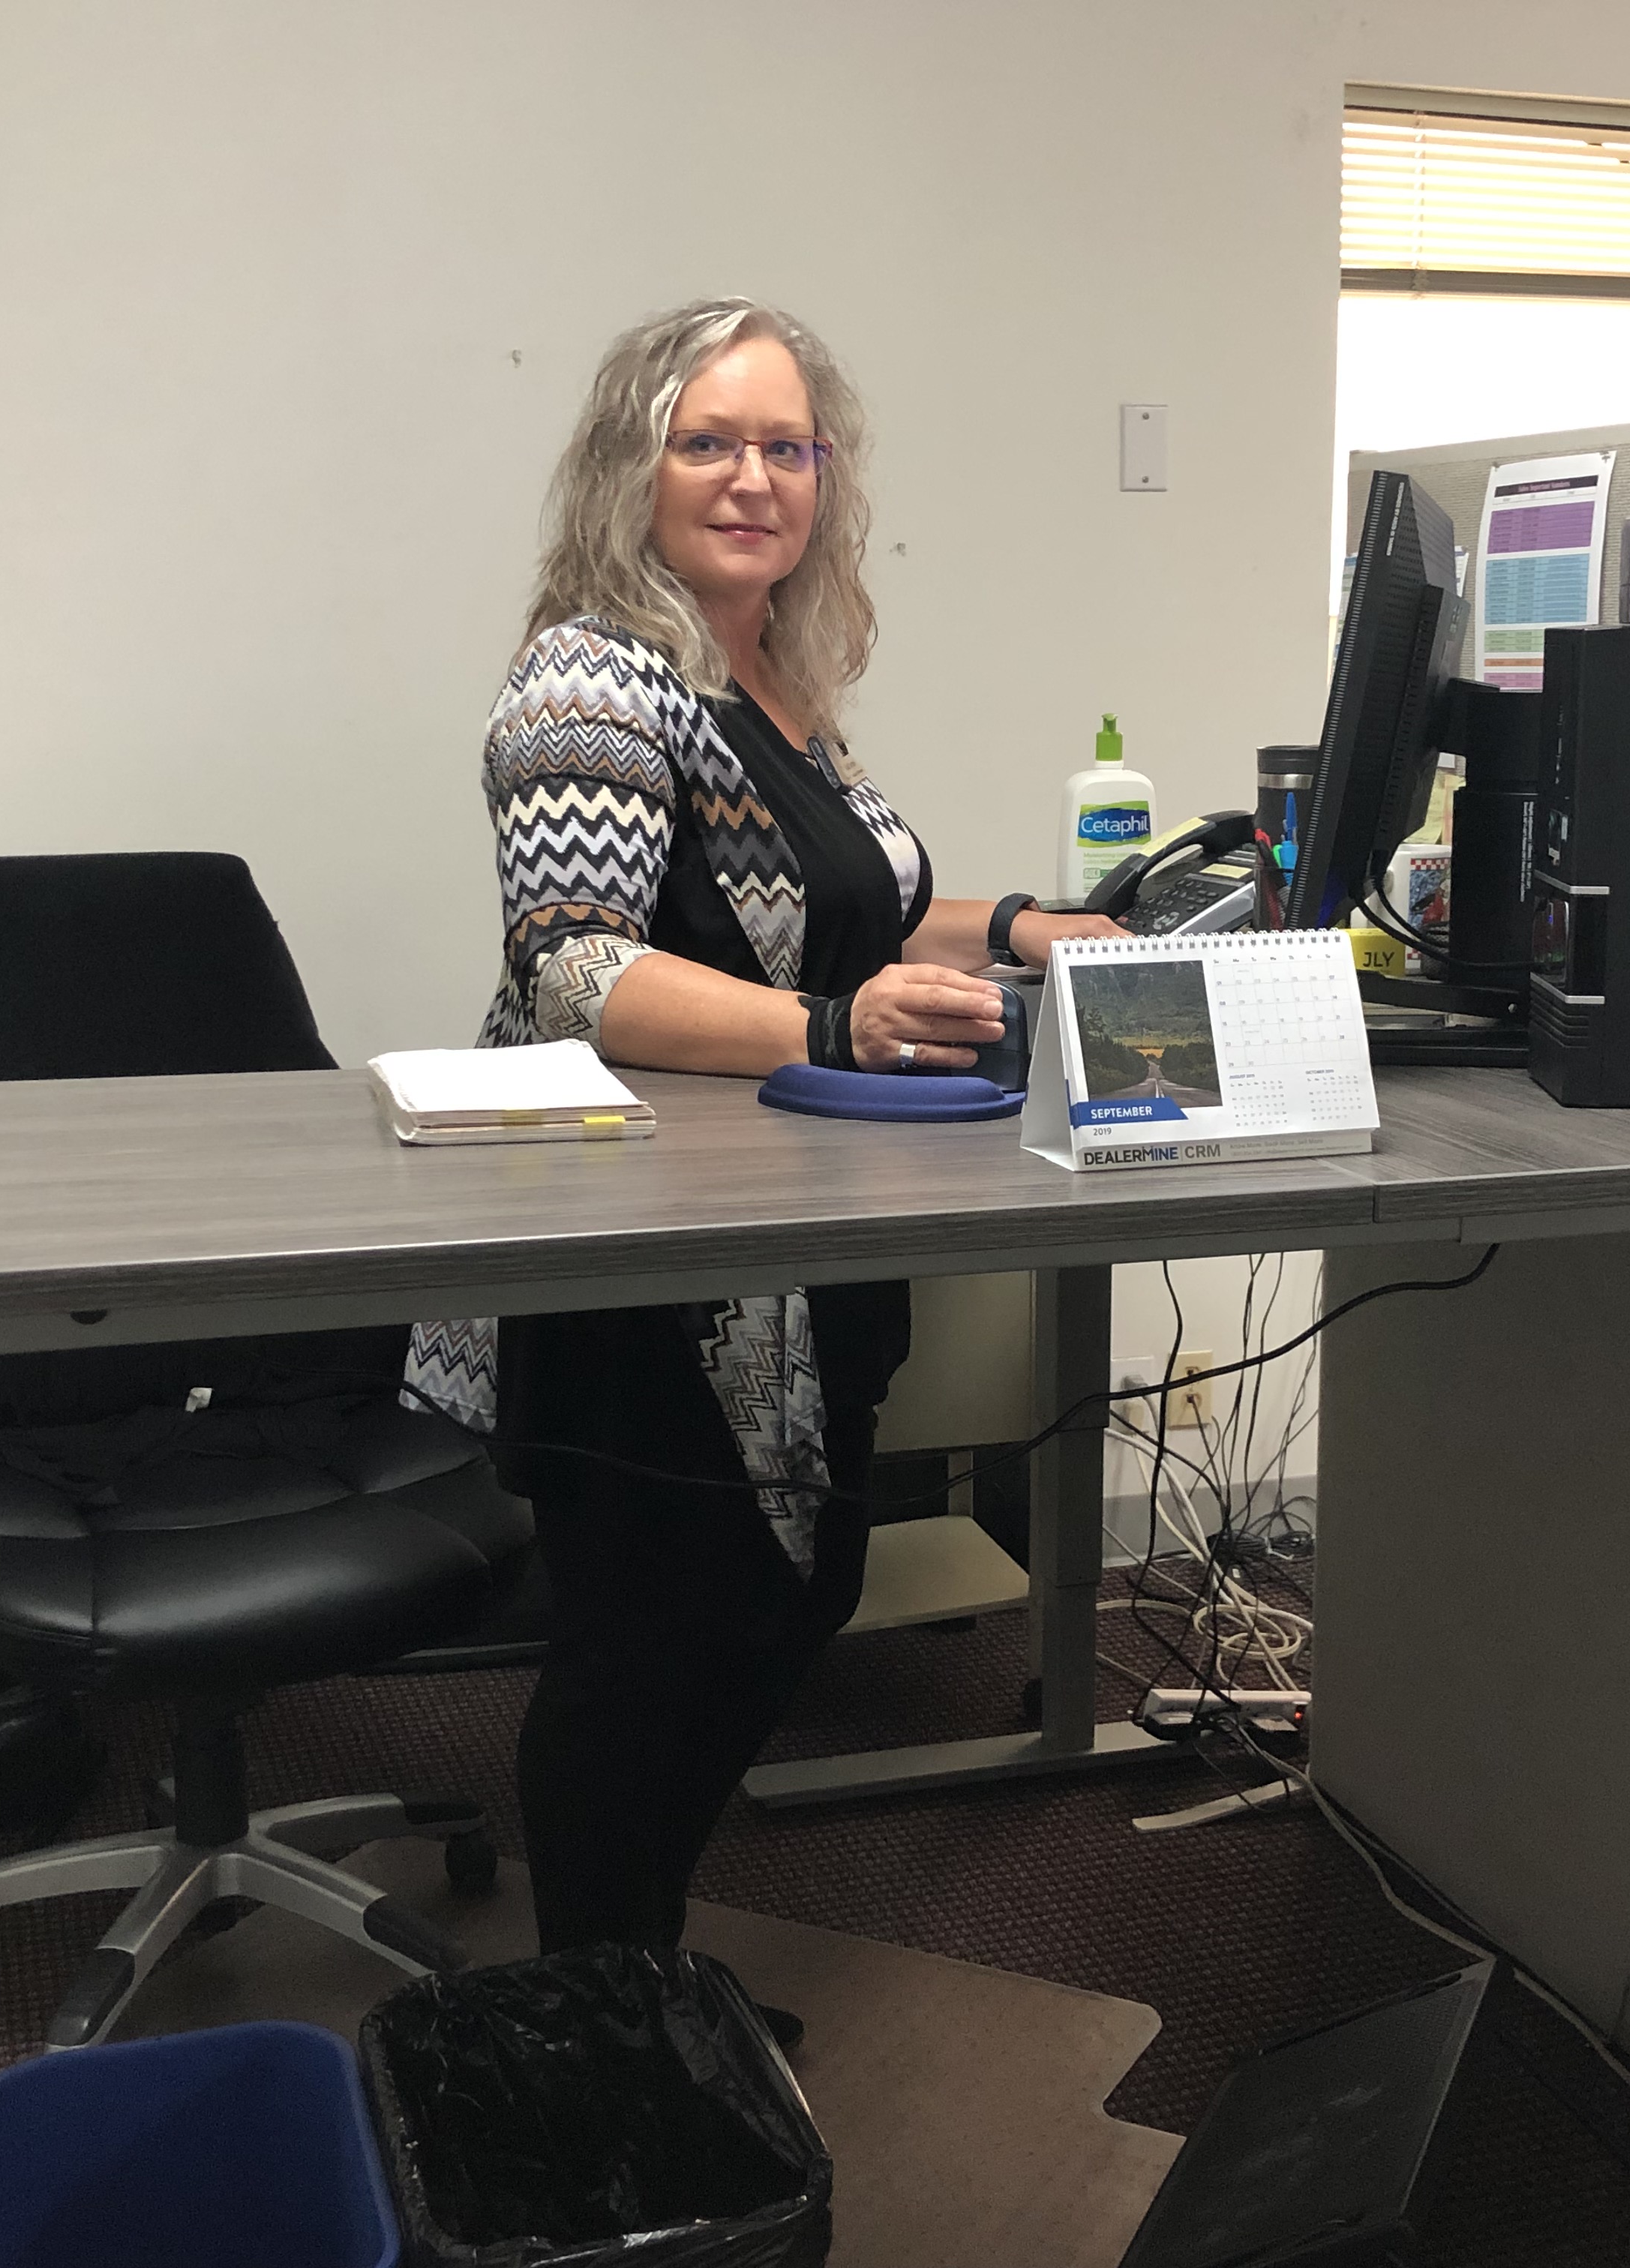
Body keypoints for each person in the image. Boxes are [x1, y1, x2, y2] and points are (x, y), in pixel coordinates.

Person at [407, 298, 1118, 1978]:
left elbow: (837, 908)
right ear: (629, 468)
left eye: (785, 446)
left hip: (797, 1236)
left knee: (785, 1603)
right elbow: (577, 960)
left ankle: (641, 1957)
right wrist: (832, 1027)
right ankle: (599, 2001)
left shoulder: (773, 681)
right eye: (708, 441)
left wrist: (1019, 927)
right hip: (646, 1266)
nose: (753, 479)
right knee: (650, 1645)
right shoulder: (592, 674)